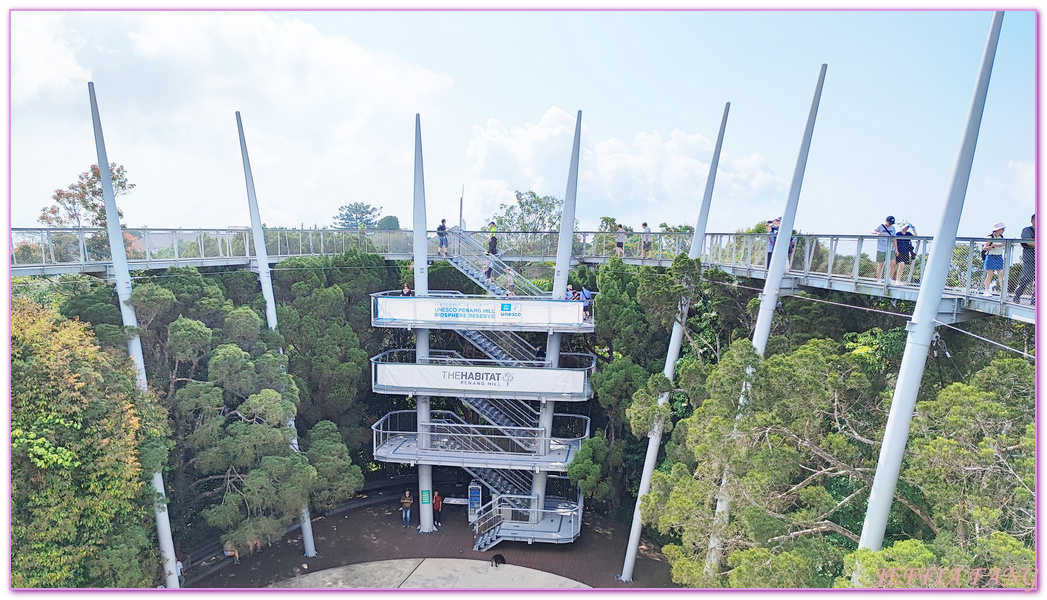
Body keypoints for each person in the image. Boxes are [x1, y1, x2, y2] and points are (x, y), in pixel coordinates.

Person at [1012, 214, 1035, 305]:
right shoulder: (1027, 230)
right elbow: (1029, 242)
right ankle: (1017, 295)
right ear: (1032, 221)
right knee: (1027, 277)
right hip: (1029, 256)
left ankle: (1035, 300)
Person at [982, 222, 1006, 295]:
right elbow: (985, 248)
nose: (1003, 230)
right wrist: (993, 246)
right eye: (1002, 229)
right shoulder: (990, 237)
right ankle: (986, 289)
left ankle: (1003, 290)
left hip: (999, 256)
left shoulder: (1001, 237)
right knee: (990, 274)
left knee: (1001, 273)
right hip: (991, 256)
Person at [872, 215, 897, 280]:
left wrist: (896, 249)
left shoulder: (893, 228)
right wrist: (877, 233)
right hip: (881, 249)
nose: (890, 225)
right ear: (886, 221)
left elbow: (894, 238)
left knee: (893, 263)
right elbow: (873, 231)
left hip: (890, 249)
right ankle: (878, 279)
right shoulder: (880, 227)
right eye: (889, 223)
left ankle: (890, 279)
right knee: (881, 264)